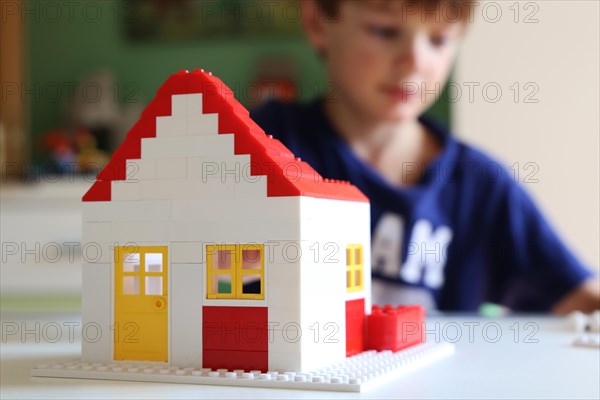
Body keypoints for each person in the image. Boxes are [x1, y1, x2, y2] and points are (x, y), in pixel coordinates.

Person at [251, 0, 599, 313]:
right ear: (316, 21)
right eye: (384, 31)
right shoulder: (262, 143)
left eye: (439, 39)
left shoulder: (481, 185)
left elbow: (579, 296)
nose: (414, 62)